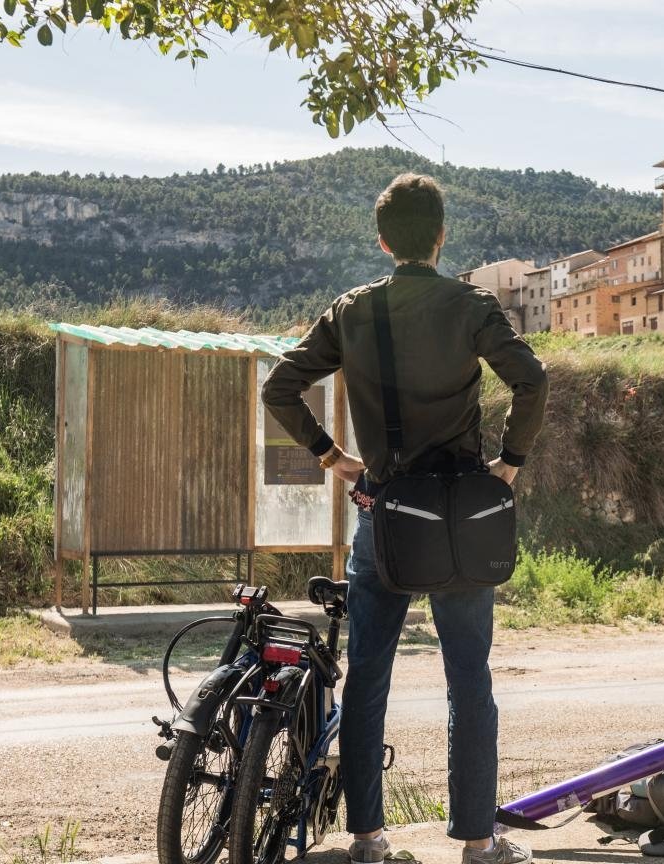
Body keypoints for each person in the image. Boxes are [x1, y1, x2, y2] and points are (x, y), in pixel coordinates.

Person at [261, 172, 549, 864]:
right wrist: (508, 465)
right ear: (442, 235)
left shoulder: (352, 311)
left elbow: (281, 387)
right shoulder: (470, 304)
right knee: (468, 679)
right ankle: (479, 843)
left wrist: (336, 459)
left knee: (368, 675)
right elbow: (532, 380)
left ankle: (367, 839)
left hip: (386, 515)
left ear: (384, 240)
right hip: (460, 521)